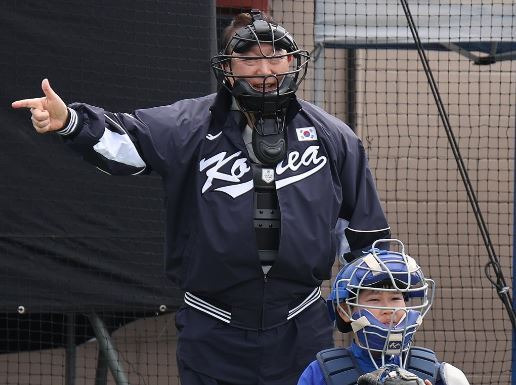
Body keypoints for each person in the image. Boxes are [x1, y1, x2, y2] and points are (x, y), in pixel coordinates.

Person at [12, 9, 391, 385]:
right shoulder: (189, 126)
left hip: (301, 327)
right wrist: (70, 122)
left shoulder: (334, 137)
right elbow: (126, 142)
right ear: (227, 65)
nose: (265, 70)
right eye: (250, 58)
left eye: (276, 55)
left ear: (292, 60)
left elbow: (365, 239)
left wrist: (372, 315)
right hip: (212, 331)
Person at [297, 239, 470, 385]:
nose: (390, 310)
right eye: (374, 300)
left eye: (396, 298)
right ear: (344, 311)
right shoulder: (320, 373)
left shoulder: (438, 374)